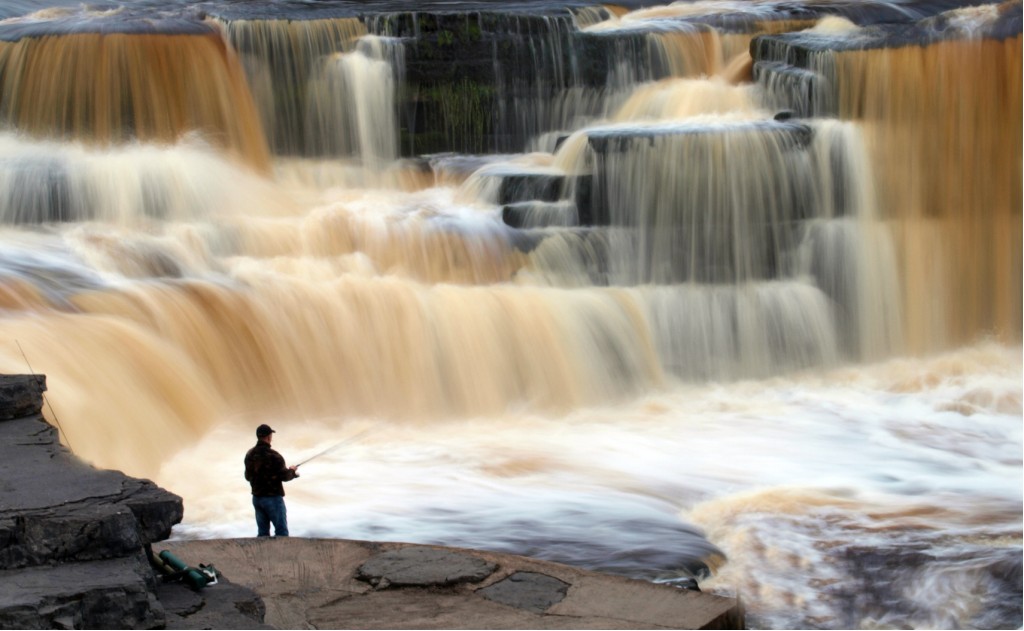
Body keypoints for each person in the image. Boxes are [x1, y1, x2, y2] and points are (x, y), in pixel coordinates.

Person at [244, 424, 299, 537]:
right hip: (273, 499)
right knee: (281, 533)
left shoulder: (250, 454)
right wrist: (292, 471)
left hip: (257, 498)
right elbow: (285, 477)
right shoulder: (274, 456)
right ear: (269, 437)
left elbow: (247, 476)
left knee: (263, 534)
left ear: (258, 436)